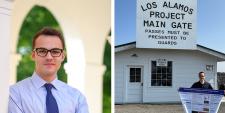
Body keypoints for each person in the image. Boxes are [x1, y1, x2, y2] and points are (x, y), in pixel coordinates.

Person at [8, 27, 89, 113]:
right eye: (42, 51)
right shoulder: (14, 94)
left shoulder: (77, 98)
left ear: (62, 56)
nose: (49, 57)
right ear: (33, 55)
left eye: (55, 51)